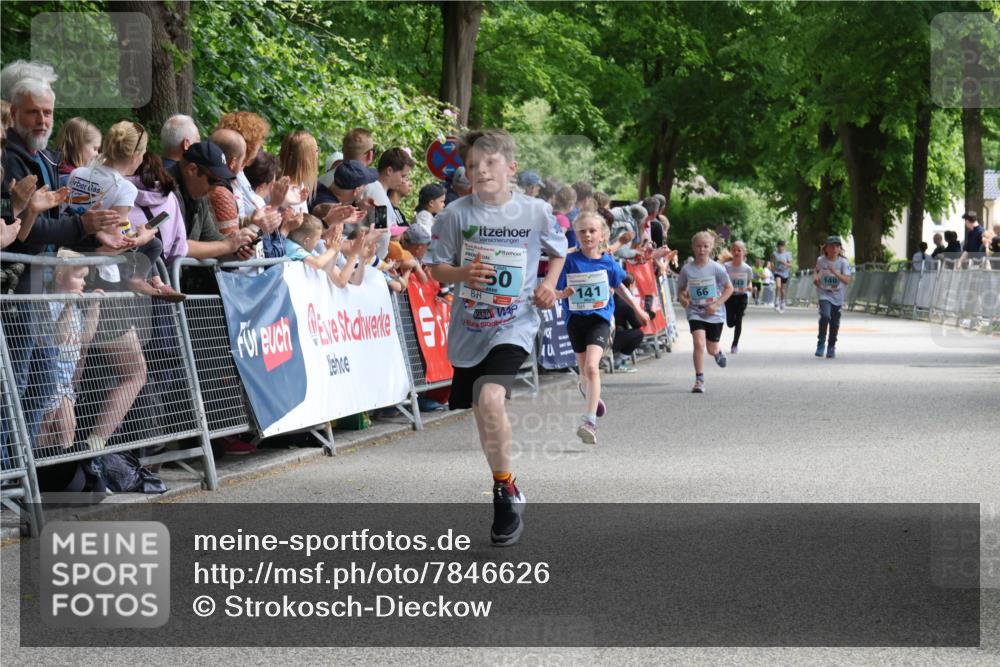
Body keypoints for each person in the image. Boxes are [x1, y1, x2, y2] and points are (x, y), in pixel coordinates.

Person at [427, 129, 567, 547]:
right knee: (482, 412)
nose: (480, 171)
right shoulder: (454, 215)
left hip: (515, 322)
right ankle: (505, 479)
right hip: (470, 326)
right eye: (472, 165)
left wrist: (548, 285)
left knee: (490, 399)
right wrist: (463, 274)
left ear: (510, 168)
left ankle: (504, 492)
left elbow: (558, 251)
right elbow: (436, 268)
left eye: (489, 163)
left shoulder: (536, 211)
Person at [555, 212, 646, 444]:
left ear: (602, 235)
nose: (587, 235)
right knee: (585, 372)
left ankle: (590, 422)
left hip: (600, 319)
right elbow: (554, 290)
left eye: (592, 231)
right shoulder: (568, 260)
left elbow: (621, 287)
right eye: (583, 231)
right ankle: (592, 396)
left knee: (593, 368)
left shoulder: (608, 261)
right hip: (575, 321)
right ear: (576, 234)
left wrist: (637, 309)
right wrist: (562, 294)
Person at [36, 249, 102, 451]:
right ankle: (43, 468)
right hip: (49, 379)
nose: (83, 283)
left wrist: (94, 307)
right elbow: (57, 336)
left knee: (66, 426)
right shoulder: (49, 304)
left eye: (85, 278)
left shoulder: (75, 309)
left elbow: (85, 338)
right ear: (59, 277)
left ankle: (62, 468)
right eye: (79, 277)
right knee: (46, 429)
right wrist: (67, 307)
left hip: (66, 382)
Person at [676, 231, 734, 393]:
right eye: (698, 246)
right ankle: (699, 380)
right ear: (693, 248)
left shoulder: (717, 268)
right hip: (695, 311)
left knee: (711, 348)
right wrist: (683, 298)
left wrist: (716, 304)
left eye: (705, 246)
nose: (702, 250)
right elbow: (680, 289)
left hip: (714, 314)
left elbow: (729, 288)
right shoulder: (687, 270)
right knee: (698, 343)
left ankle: (718, 352)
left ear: (711, 248)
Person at [284, 213, 368, 289]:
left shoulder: (309, 250)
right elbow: (317, 264)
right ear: (306, 241)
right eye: (317, 238)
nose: (340, 233)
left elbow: (328, 269)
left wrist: (334, 252)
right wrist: (333, 250)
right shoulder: (291, 245)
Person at [813, 235, 851, 358]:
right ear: (826, 248)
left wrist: (835, 272)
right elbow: (816, 271)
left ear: (840, 249)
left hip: (837, 297)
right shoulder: (821, 260)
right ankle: (821, 343)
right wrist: (816, 279)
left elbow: (846, 280)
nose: (834, 249)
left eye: (837, 246)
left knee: (834, 324)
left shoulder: (843, 263)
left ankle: (831, 346)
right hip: (824, 294)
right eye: (831, 246)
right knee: (825, 316)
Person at [611, 274, 646, 372]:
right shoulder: (625, 302)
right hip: (613, 340)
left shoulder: (611, 296)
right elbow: (637, 324)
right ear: (631, 285)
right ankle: (618, 361)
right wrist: (643, 314)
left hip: (601, 336)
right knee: (638, 334)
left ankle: (614, 359)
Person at [278, 130, 319, 215]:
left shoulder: (299, 186)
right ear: (307, 159)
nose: (317, 155)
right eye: (316, 151)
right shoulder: (284, 190)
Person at [53, 117, 101, 187]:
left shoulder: (53, 171)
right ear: (78, 147)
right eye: (95, 149)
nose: (97, 154)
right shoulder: (73, 182)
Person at [723, 240, 753, 353]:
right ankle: (735, 318)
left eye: (739, 250)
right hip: (730, 296)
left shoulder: (747, 268)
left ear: (743, 252)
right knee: (730, 323)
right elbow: (722, 280)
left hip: (742, 296)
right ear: (731, 252)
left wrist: (749, 286)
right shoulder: (726, 266)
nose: (736, 252)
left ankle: (735, 344)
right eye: (734, 250)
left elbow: (750, 282)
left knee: (739, 319)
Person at [772, 240, 792, 312]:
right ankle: (776, 301)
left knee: (782, 290)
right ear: (777, 247)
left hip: (785, 273)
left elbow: (790, 265)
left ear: (784, 247)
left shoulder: (788, 254)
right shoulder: (774, 254)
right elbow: (772, 263)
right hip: (777, 272)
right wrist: (773, 269)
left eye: (782, 247)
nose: (780, 248)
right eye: (779, 247)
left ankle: (782, 302)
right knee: (778, 286)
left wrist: (785, 263)